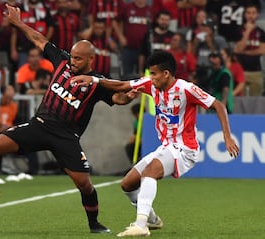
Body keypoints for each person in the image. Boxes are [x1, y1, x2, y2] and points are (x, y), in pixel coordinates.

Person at [0, 4, 135, 234]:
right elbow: (38, 39)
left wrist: (128, 97)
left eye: (79, 59)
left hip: (66, 137)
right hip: (39, 125)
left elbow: (119, 99)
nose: (73, 61)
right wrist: (18, 23)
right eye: (73, 56)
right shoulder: (61, 60)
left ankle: (94, 224)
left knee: (84, 184)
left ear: (92, 59)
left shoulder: (97, 82)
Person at [71, 50, 240, 237]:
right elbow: (122, 85)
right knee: (127, 184)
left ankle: (141, 224)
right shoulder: (150, 84)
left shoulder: (186, 89)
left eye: (153, 73)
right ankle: (152, 219)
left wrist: (227, 136)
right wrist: (94, 80)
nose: (150, 78)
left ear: (165, 74)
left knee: (150, 171)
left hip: (184, 148)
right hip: (166, 146)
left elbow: (218, 105)